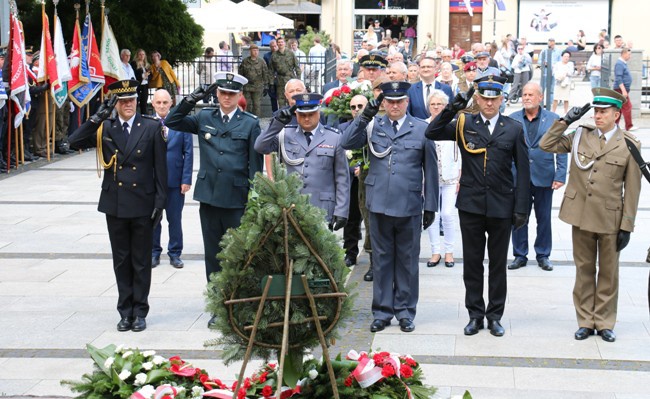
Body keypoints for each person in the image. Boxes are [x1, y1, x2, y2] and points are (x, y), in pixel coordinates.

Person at [426, 76, 530, 337]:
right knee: (472, 263)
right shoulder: (464, 123)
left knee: (497, 264)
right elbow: (432, 132)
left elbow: (524, 172)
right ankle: (475, 314)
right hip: (472, 205)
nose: (490, 103)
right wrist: (452, 107)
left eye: (495, 98)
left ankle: (495, 316)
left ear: (502, 99)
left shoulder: (514, 128)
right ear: (478, 99)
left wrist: (522, 209)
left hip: (501, 205)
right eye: (485, 98)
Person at [539, 88, 641, 343]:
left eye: (603, 112)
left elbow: (632, 189)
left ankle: (604, 322)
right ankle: (585, 321)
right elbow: (546, 144)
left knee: (608, 273)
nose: (597, 115)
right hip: (581, 215)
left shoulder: (629, 144)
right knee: (584, 270)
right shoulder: (580, 136)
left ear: (616, 115)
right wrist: (565, 121)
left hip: (610, 219)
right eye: (595, 111)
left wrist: (627, 225)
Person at [165, 72, 263, 328]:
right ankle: (219, 306)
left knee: (239, 256)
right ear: (217, 94)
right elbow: (173, 121)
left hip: (236, 198)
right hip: (209, 197)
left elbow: (255, 166)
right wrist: (191, 99)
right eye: (222, 93)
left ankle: (239, 306)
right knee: (213, 255)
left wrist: (254, 199)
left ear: (240, 95)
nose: (227, 97)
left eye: (231, 93)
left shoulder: (250, 123)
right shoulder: (204, 117)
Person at [68, 80, 167, 332]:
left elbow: (161, 170)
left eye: (131, 100)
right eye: (122, 102)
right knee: (121, 260)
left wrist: (160, 203)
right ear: (116, 104)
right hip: (116, 204)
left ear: (137, 101)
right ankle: (125, 311)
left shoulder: (151, 127)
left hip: (143, 203)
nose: (128, 105)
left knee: (141, 260)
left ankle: (140, 310)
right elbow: (74, 141)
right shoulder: (106, 127)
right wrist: (97, 117)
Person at [342, 81, 438, 334]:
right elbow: (347, 142)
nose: (394, 106)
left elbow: (431, 168)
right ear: (384, 102)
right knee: (382, 260)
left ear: (407, 102)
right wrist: (366, 115)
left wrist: (431, 206)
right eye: (390, 101)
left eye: (399, 101)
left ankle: (405, 311)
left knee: (407, 261)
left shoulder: (420, 128)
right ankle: (382, 311)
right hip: (379, 203)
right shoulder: (374, 125)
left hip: (408, 204)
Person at [254, 93, 350, 228]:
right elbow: (260, 146)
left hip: (321, 208)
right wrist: (277, 123)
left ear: (318, 112)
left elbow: (342, 178)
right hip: (290, 208)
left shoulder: (334, 137)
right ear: (296, 115)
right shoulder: (284, 134)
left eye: (311, 114)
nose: (306, 118)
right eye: (302, 115)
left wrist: (341, 211)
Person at [508, 82, 565, 271]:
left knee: (544, 218)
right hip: (518, 177)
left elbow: (562, 149)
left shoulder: (553, 119)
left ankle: (543, 255)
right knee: (519, 217)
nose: (526, 98)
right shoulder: (512, 119)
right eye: (524, 94)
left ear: (540, 97)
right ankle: (519, 254)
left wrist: (560, 174)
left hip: (544, 175)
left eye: (531, 94)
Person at [150, 89, 193, 269]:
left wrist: (186, 179)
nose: (162, 106)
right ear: (153, 104)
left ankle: (175, 253)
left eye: (165, 102)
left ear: (171, 103)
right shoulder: (147, 124)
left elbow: (188, 152)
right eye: (158, 102)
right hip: (153, 182)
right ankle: (153, 252)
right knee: (153, 219)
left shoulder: (181, 124)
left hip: (175, 181)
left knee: (175, 219)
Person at [425, 89, 460, 268]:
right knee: (432, 214)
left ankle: (449, 252)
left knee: (447, 214)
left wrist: (461, 176)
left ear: (446, 107)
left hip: (451, 177)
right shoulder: (423, 125)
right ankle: (435, 252)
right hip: (429, 179)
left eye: (440, 104)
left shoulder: (455, 125)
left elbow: (462, 152)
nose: (436, 107)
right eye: (433, 104)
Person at [338, 94, 369, 266]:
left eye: (360, 106)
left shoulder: (374, 125)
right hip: (351, 180)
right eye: (353, 107)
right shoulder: (343, 128)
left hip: (370, 179)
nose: (357, 109)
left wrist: (363, 166)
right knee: (350, 219)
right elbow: (341, 152)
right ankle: (350, 253)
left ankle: (372, 255)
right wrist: (354, 168)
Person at [239, 44, 271, 117]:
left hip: (258, 86)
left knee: (257, 105)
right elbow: (241, 74)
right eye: (254, 50)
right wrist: (240, 85)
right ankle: (246, 119)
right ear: (250, 51)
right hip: (247, 86)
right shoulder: (245, 61)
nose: (256, 52)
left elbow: (265, 74)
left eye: (257, 50)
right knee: (247, 104)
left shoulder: (261, 61)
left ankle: (256, 120)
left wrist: (266, 86)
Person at [269, 37, 301, 108]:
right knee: (281, 101)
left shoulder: (291, 53)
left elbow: (297, 67)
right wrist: (271, 83)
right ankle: (282, 117)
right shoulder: (274, 55)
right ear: (277, 44)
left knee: (291, 99)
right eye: (279, 42)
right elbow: (271, 70)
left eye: (282, 42)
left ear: (285, 43)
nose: (280, 44)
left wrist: (298, 80)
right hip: (280, 81)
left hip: (290, 79)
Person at [613, 47, 636, 131]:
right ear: (624, 54)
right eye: (629, 54)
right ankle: (629, 126)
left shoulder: (622, 63)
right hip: (620, 90)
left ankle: (614, 126)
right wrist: (623, 90)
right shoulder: (619, 63)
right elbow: (618, 78)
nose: (630, 56)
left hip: (621, 89)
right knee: (627, 107)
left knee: (619, 108)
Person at [538, 38, 561, 106]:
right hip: (545, 72)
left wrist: (556, 66)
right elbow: (539, 61)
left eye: (552, 42)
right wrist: (544, 63)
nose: (551, 44)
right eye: (550, 42)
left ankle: (550, 103)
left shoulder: (558, 51)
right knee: (542, 88)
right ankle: (541, 102)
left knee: (552, 88)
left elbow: (560, 62)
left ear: (554, 43)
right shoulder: (544, 51)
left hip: (554, 72)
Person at [131, 49, 150, 114]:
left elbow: (150, 74)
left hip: (145, 86)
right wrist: (142, 76)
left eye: (143, 54)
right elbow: (133, 75)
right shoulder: (134, 63)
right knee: (135, 103)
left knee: (144, 104)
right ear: (137, 55)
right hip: (138, 86)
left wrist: (148, 76)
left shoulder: (146, 64)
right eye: (140, 54)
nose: (142, 56)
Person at [264, 39, 279, 112]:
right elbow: (266, 68)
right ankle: (275, 113)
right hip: (271, 79)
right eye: (272, 46)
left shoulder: (281, 54)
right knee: (273, 98)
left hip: (281, 79)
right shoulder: (266, 56)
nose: (274, 48)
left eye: (275, 46)